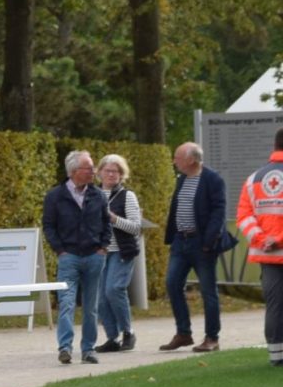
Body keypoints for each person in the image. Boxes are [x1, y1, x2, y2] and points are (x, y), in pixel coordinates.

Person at [42, 150, 110, 365]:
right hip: (69, 256)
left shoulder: (98, 195)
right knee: (67, 303)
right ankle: (65, 347)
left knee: (91, 307)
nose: (93, 172)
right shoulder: (55, 196)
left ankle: (88, 349)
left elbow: (106, 223)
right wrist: (60, 250)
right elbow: (49, 226)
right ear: (73, 171)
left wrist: (103, 247)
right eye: (88, 168)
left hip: (94, 256)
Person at [161, 142, 231, 352]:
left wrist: (208, 243)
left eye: (178, 157)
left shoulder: (212, 179)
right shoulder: (182, 179)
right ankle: (183, 333)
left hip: (202, 244)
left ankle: (212, 337)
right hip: (180, 242)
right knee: (172, 284)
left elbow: (218, 212)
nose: (174, 161)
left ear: (191, 160)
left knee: (208, 292)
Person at [96, 154, 147, 354]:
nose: (111, 174)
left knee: (114, 289)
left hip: (121, 251)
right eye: (107, 171)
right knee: (99, 296)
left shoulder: (128, 196)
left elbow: (136, 228)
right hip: (99, 252)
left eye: (115, 171)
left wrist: (114, 219)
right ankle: (112, 337)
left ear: (121, 175)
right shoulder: (92, 195)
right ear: (99, 173)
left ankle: (128, 331)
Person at [241, 128, 283, 368]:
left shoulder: (254, 179)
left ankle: (276, 355)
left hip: (268, 256)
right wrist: (279, 239)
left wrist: (262, 239)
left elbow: (244, 216)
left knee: (275, 305)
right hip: (276, 247)